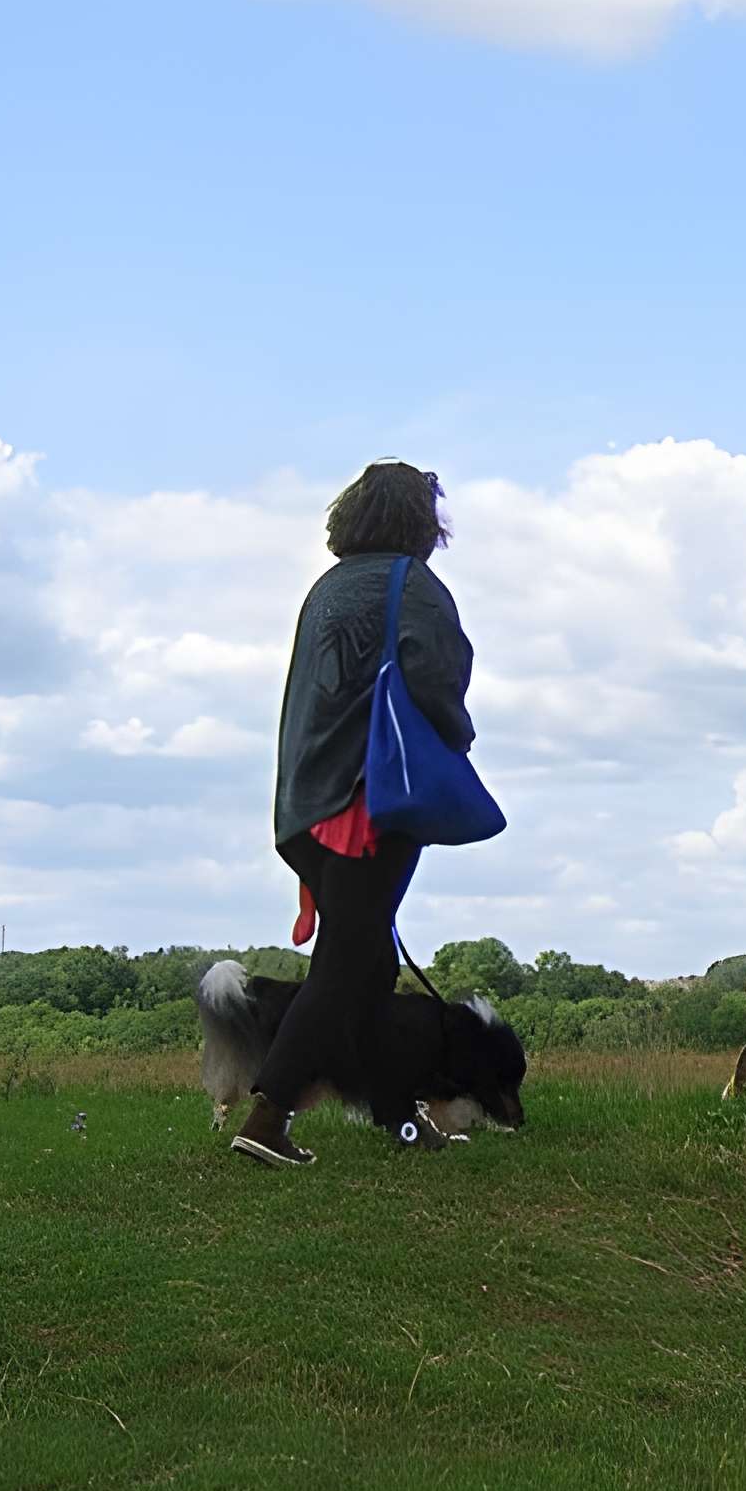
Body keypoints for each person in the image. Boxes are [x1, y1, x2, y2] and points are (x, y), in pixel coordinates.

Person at [229, 461, 479, 1167]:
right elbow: (438, 684)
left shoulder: (326, 590)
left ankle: (399, 1121)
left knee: (368, 965)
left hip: (306, 808)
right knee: (345, 965)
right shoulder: (413, 587)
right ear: (420, 523)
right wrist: (456, 742)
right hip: (372, 804)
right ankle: (268, 1116)